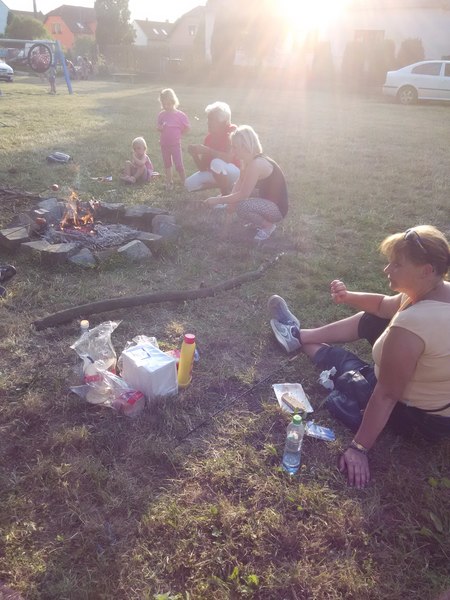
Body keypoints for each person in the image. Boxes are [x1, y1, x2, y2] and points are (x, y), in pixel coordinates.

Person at [268, 225, 450, 487]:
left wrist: (359, 448)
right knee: (371, 320)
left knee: (344, 363)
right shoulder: (436, 291)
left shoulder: (412, 325)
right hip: (438, 401)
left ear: (426, 270)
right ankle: (300, 335)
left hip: (418, 418)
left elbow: (386, 395)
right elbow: (382, 305)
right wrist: (348, 297)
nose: (387, 269)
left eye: (397, 264)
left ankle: (298, 340)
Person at [204, 125, 288, 242]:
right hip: (267, 200)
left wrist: (217, 200)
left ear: (245, 146)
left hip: (277, 209)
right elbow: (238, 184)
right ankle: (258, 221)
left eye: (235, 147)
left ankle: (268, 226)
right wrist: (229, 205)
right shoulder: (248, 161)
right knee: (237, 199)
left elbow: (242, 195)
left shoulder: (256, 164)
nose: (233, 151)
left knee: (242, 206)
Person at [185, 101, 240, 196]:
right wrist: (195, 155)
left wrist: (208, 151)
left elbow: (229, 158)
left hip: (235, 172)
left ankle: (225, 194)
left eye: (212, 119)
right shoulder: (209, 138)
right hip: (217, 172)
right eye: (208, 119)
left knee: (216, 163)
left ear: (223, 122)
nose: (208, 122)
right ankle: (225, 186)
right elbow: (203, 168)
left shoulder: (232, 132)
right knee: (189, 184)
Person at [157, 88, 190, 189]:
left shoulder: (180, 115)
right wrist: (160, 128)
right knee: (167, 164)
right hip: (164, 144)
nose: (166, 106)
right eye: (164, 104)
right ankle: (169, 182)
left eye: (168, 104)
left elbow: (187, 127)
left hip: (175, 144)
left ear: (173, 101)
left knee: (179, 164)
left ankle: (185, 182)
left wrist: (180, 134)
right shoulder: (162, 115)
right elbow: (158, 127)